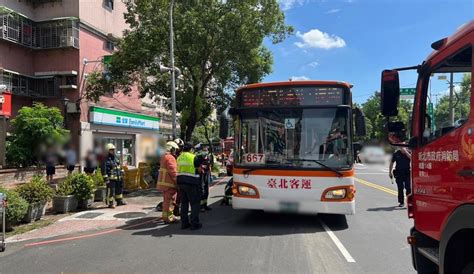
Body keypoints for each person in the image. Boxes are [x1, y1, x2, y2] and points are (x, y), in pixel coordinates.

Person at [177, 143, 203, 230]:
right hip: (191, 183)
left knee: (184, 203)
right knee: (195, 203)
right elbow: (199, 170)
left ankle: (184, 223)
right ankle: (194, 223)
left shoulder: (179, 157)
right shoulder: (193, 157)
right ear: (191, 149)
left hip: (181, 182)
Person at [157, 141, 179, 224]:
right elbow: (173, 172)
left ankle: (166, 216)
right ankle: (169, 217)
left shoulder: (164, 156)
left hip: (164, 183)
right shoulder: (170, 158)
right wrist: (177, 183)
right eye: (175, 149)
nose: (175, 151)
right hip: (170, 184)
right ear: (172, 149)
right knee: (170, 201)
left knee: (166, 201)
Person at [102, 143, 127, 208]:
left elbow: (120, 166)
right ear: (108, 150)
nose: (113, 151)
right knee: (111, 191)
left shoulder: (116, 157)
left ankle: (119, 201)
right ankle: (110, 203)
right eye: (111, 150)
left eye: (113, 149)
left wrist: (122, 172)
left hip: (118, 177)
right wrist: (105, 178)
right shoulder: (105, 159)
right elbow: (103, 169)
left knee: (119, 190)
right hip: (111, 178)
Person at [196, 145, 213, 212]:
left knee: (206, 190)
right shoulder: (199, 158)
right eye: (204, 150)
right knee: (201, 190)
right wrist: (201, 167)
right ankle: (201, 206)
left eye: (206, 150)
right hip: (201, 175)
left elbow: (209, 166)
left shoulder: (208, 157)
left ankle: (205, 205)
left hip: (207, 174)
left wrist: (210, 175)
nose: (205, 152)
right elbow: (197, 167)